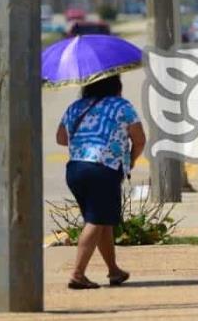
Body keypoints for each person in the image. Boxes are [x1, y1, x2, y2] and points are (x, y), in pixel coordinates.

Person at [56, 74, 146, 289]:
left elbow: (60, 138)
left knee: (102, 220)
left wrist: (85, 139)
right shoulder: (122, 106)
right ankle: (77, 274)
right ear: (116, 85)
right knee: (96, 221)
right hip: (104, 168)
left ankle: (114, 270)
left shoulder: (76, 107)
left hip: (76, 168)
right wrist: (131, 158)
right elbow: (140, 139)